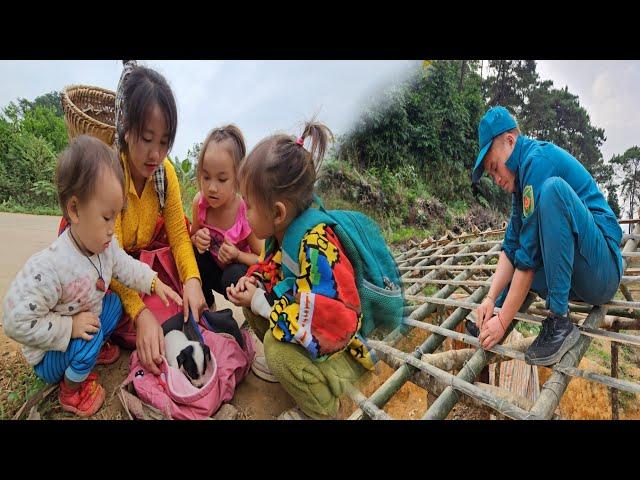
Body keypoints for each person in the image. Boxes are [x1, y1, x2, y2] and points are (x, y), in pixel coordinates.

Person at [2, 136, 182, 416]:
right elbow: (15, 322)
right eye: (107, 217)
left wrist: (154, 282)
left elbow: (125, 266)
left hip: (84, 316)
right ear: (74, 209)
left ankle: (89, 348)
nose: (113, 228)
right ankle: (71, 390)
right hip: (49, 353)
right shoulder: (51, 267)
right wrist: (69, 328)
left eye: (116, 216)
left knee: (114, 305)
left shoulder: (104, 246)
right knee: (90, 338)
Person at [226, 121, 375, 419]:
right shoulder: (284, 235)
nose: (245, 212)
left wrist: (261, 301)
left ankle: (322, 408)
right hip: (306, 329)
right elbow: (274, 270)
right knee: (254, 303)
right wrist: (253, 281)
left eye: (249, 206)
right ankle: (294, 370)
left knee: (275, 347)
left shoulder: (317, 245)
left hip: (340, 349)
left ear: (278, 212)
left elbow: (330, 321)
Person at [470, 106, 623, 366]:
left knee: (553, 192)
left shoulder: (537, 162)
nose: (495, 178)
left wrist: (504, 320)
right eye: (491, 174)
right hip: (577, 278)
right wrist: (490, 299)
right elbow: (511, 248)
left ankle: (559, 322)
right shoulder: (521, 184)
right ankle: (495, 316)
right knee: (519, 248)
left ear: (510, 141)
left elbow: (528, 259)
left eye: (495, 167)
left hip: (602, 270)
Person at [108, 61, 207, 375]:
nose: (155, 154)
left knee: (183, 302)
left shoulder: (165, 174)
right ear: (126, 129)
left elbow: (178, 234)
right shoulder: (109, 174)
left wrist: (192, 280)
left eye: (164, 142)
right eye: (147, 139)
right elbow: (108, 257)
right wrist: (139, 313)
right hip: (109, 266)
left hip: (142, 264)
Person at [189, 125, 262, 309]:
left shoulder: (245, 212)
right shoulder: (200, 203)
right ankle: (207, 306)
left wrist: (237, 255)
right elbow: (192, 235)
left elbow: (262, 259)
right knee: (192, 253)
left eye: (221, 180)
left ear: (237, 177)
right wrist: (197, 239)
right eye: (206, 177)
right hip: (211, 272)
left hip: (235, 278)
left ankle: (251, 313)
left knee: (233, 273)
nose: (212, 188)